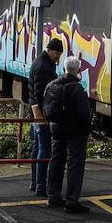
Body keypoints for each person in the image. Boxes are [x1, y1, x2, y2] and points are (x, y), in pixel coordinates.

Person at [46, 56, 92, 214]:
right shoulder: (77, 89)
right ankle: (72, 202)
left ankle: (53, 196)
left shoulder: (52, 85)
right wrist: (86, 131)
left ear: (64, 68)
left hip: (56, 129)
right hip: (75, 133)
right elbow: (84, 115)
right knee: (74, 166)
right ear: (78, 70)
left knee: (56, 162)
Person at [28, 38, 64, 197]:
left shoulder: (40, 62)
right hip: (40, 114)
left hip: (35, 111)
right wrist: (46, 112)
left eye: (59, 54)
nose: (58, 57)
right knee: (44, 148)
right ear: (49, 50)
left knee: (37, 147)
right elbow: (39, 92)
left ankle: (35, 182)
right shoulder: (43, 66)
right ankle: (41, 186)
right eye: (56, 53)